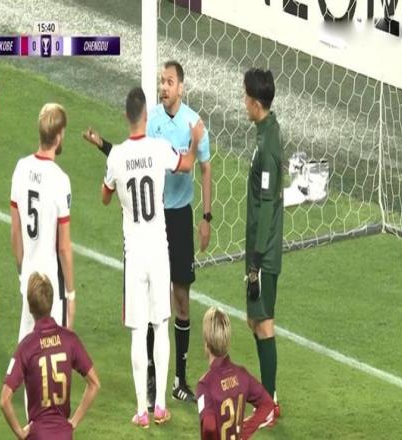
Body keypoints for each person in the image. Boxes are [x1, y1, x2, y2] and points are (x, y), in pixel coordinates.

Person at [84, 60, 212, 404]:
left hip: (179, 218)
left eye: (169, 82)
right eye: (161, 81)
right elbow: (137, 157)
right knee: (157, 305)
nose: (163, 87)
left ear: (181, 86)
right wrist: (103, 144)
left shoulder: (192, 122)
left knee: (179, 299)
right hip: (156, 224)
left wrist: (206, 217)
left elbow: (203, 168)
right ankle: (153, 382)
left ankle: (178, 380)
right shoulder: (153, 121)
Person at [0, 272, 99, 440]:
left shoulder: (26, 347)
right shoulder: (69, 340)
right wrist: (73, 422)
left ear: (30, 307)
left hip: (38, 435)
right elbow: (95, 384)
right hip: (64, 435)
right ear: (52, 303)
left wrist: (20, 433)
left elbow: (4, 400)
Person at [10, 103, 76, 341]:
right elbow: (64, 247)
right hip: (51, 283)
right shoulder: (60, 180)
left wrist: (22, 274)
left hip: (28, 277)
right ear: (58, 136)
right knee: (54, 350)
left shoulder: (21, 168)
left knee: (26, 347)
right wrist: (71, 294)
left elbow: (15, 233)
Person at [243, 68, 283, 421]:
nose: (244, 103)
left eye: (246, 97)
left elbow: (268, 204)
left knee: (264, 322)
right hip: (258, 249)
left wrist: (256, 260)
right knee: (254, 320)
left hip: (264, 253)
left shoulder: (267, 146)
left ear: (256, 103)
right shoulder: (265, 132)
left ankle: (268, 404)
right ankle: (271, 397)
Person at [196, 307, 275, 440]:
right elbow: (267, 403)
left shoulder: (205, 384)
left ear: (206, 342)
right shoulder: (242, 375)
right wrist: (244, 433)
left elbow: (209, 427)